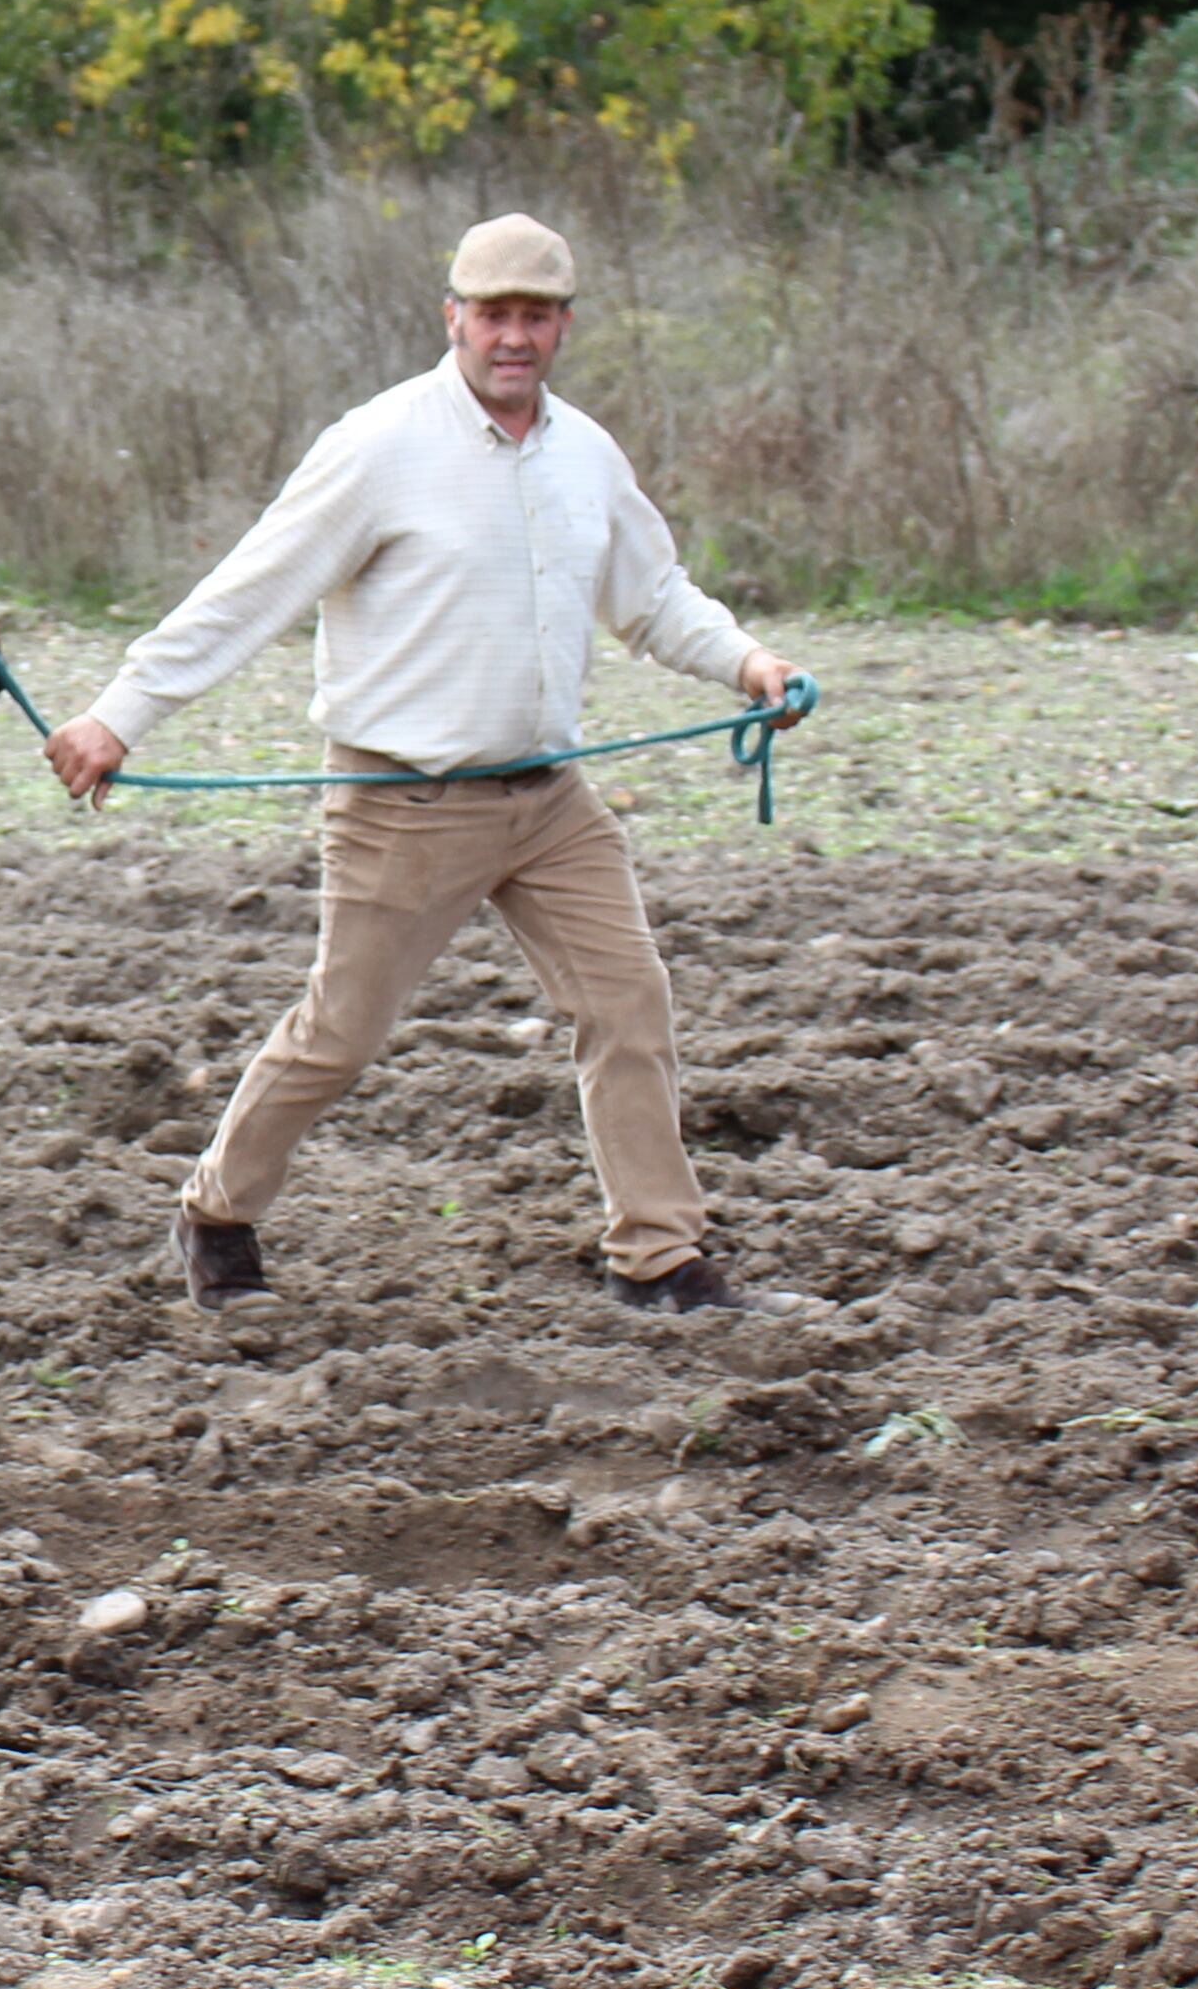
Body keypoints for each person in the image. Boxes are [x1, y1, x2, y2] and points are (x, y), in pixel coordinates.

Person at [41, 217, 814, 1320]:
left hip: (550, 801)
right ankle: (216, 1211)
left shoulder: (587, 455)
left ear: (563, 326)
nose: (513, 337)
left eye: (534, 316)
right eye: (492, 314)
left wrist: (748, 663)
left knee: (629, 1001)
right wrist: (118, 716)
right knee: (340, 1034)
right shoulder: (378, 445)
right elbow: (249, 590)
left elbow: (651, 596)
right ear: (452, 317)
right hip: (402, 805)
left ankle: (658, 1259)